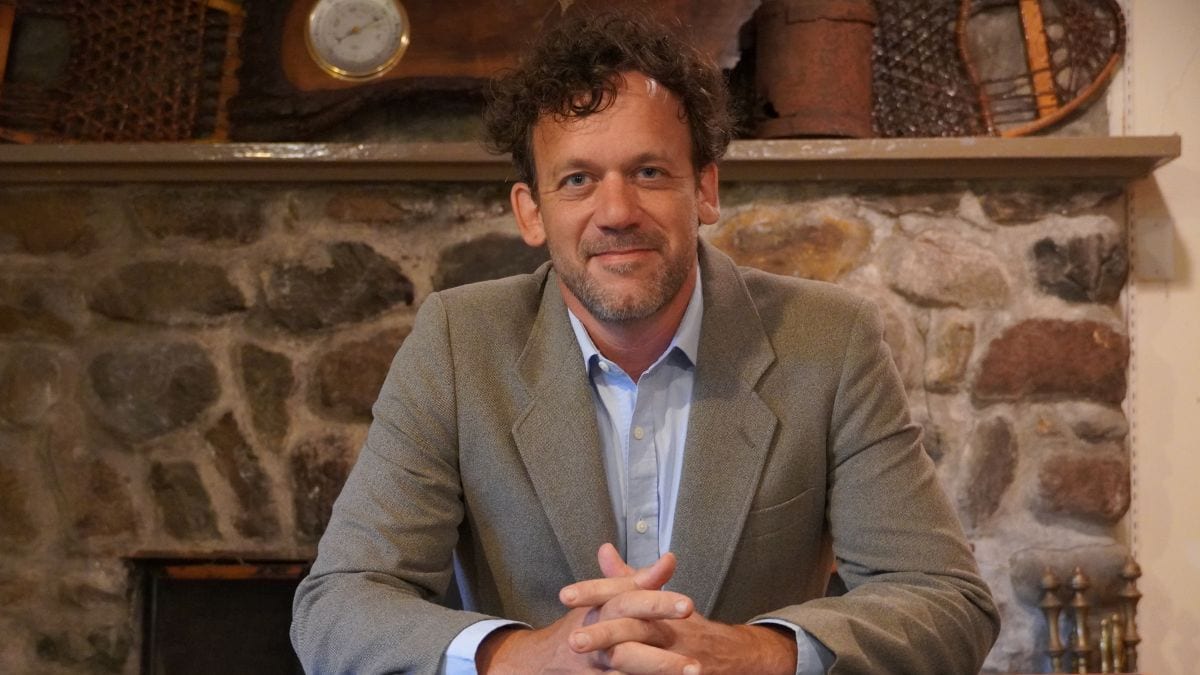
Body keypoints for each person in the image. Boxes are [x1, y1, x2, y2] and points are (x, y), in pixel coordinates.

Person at [290, 10, 999, 675]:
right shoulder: (456, 343)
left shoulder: (829, 341)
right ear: (531, 212)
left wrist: (754, 653)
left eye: (650, 172)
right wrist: (521, 658)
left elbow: (947, 601)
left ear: (706, 189)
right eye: (578, 180)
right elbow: (338, 605)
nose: (617, 212)